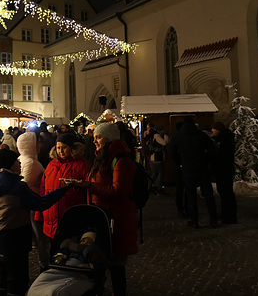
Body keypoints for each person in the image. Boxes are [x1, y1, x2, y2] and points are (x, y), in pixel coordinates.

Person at [0, 149, 73, 296]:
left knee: (2, 276)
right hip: (16, 235)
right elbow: (41, 203)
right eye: (16, 161)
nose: (20, 163)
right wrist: (62, 190)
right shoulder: (17, 186)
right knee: (18, 278)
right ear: (10, 164)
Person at [76, 123, 138, 296]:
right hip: (100, 216)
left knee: (116, 265)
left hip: (116, 218)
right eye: (94, 137)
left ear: (109, 138)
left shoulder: (122, 160)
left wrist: (89, 186)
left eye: (98, 137)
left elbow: (118, 190)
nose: (94, 140)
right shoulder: (101, 157)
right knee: (99, 260)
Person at [35, 132, 91, 267]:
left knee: (68, 251)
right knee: (52, 252)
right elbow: (43, 189)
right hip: (50, 216)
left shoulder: (82, 165)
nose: (61, 151)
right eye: (58, 147)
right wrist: (39, 212)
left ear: (72, 148)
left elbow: (88, 189)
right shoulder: (51, 165)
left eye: (64, 147)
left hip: (70, 216)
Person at [167, 117, 218, 229]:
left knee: (191, 195)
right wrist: (207, 161)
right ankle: (213, 219)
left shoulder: (178, 137)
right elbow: (212, 149)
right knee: (208, 195)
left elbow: (171, 151)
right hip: (202, 167)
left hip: (187, 167)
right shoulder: (201, 135)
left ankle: (194, 220)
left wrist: (179, 162)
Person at [16, 130, 47, 271]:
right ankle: (44, 265)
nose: (40, 145)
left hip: (30, 204)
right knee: (40, 237)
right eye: (37, 142)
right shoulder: (30, 163)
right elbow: (25, 185)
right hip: (33, 204)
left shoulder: (23, 159)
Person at [211, 121, 238, 224]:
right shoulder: (223, 140)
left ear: (218, 130)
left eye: (214, 129)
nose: (212, 131)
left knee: (227, 193)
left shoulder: (225, 141)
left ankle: (230, 216)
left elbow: (223, 156)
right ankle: (226, 213)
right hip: (223, 170)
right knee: (224, 193)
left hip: (224, 170)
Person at [149, 125, 168, 194]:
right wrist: (166, 137)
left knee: (155, 173)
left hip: (154, 156)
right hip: (157, 157)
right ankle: (159, 188)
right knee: (159, 173)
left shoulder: (153, 135)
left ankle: (150, 186)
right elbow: (164, 143)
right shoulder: (157, 136)